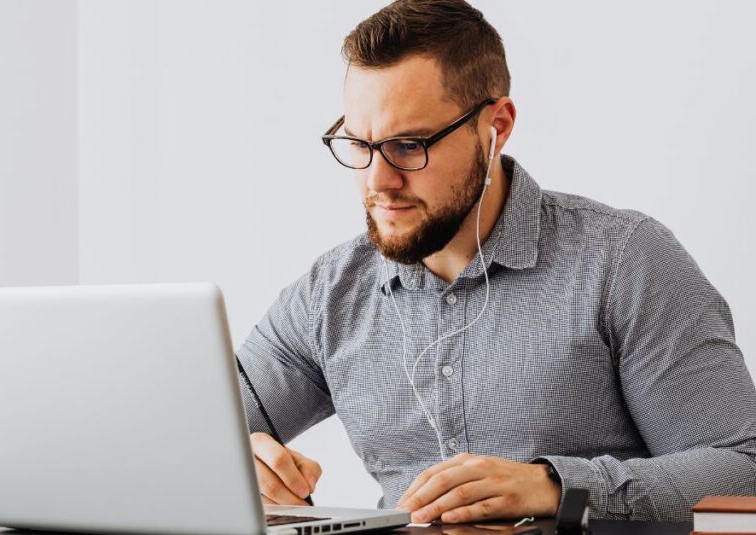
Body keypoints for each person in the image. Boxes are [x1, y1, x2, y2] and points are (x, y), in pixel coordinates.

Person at [235, 0, 756, 524]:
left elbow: (742, 467)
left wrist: (557, 486)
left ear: (497, 126)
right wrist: (239, 463)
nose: (378, 182)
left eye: (409, 145)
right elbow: (186, 430)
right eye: (358, 143)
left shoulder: (625, 261)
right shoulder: (329, 294)